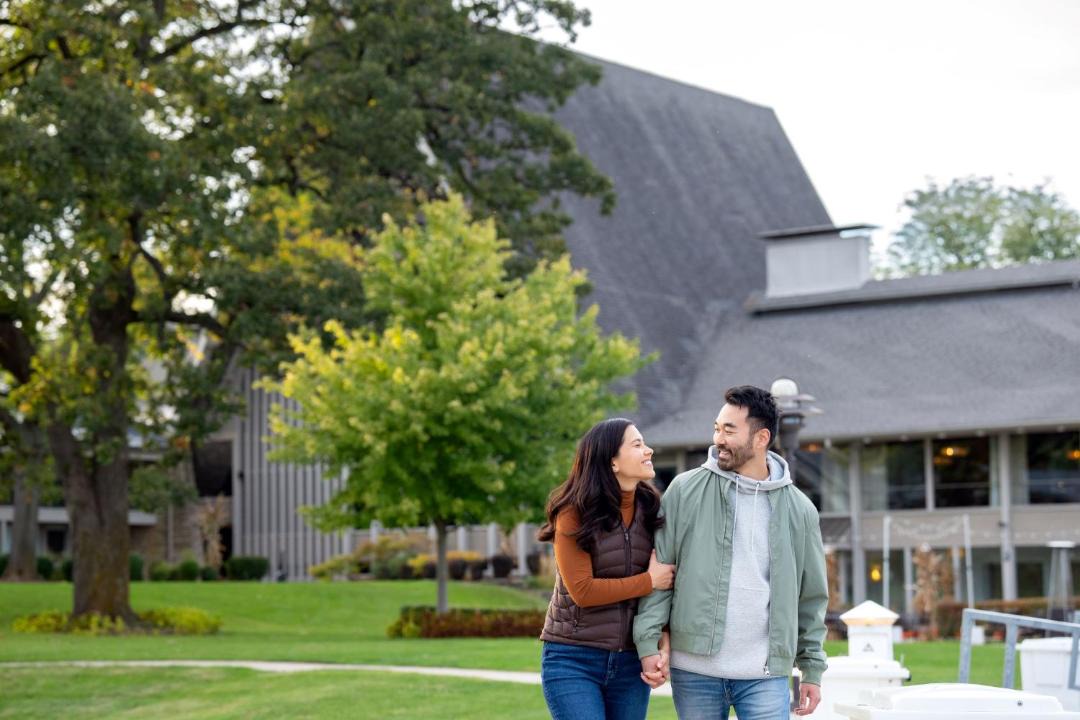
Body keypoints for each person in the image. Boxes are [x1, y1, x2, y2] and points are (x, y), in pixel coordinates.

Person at [634, 386, 829, 719]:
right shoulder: (685, 490)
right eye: (716, 428)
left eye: (729, 430)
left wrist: (811, 669)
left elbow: (810, 598)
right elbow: (661, 572)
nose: (717, 438)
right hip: (695, 671)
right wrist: (648, 642)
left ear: (760, 437)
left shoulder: (800, 510)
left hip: (765, 674)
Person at [537, 417, 677, 720]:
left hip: (630, 662)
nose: (649, 450)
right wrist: (648, 581)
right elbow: (583, 591)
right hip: (573, 659)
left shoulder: (652, 509)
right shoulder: (574, 512)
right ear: (612, 461)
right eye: (637, 444)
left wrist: (662, 643)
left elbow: (666, 586)